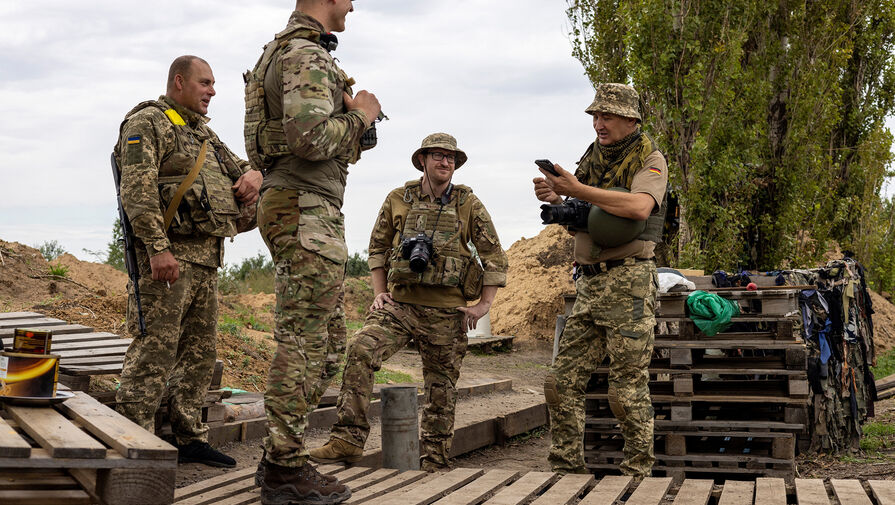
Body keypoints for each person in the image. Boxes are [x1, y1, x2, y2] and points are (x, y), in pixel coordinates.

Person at [243, 0, 381, 502]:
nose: (354, 5)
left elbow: (297, 136)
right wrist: (362, 115)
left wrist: (352, 119)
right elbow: (311, 139)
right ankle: (284, 469)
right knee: (302, 343)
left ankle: (279, 456)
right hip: (305, 208)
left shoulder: (278, 53)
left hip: (301, 205)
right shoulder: (306, 54)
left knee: (327, 347)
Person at [309, 133, 508, 472]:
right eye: (437, 156)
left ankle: (435, 462)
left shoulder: (467, 204)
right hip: (401, 305)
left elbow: (494, 257)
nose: (445, 162)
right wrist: (379, 292)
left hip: (448, 311)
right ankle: (348, 439)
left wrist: (483, 305)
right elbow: (377, 247)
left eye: (450, 158)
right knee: (360, 348)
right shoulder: (398, 199)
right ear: (423, 161)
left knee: (441, 389)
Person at [113, 55, 262, 468]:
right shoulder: (149, 123)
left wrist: (255, 176)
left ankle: (188, 436)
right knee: (154, 352)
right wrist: (158, 248)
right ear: (179, 82)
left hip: (206, 261)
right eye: (205, 83)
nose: (212, 91)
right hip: (167, 259)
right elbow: (137, 193)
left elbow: (242, 169)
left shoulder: (204, 134)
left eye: (213, 84)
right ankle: (132, 438)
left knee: (198, 354)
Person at [533, 83, 668, 477]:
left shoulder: (649, 157)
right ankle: (565, 470)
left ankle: (636, 475)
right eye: (594, 116)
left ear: (630, 119)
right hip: (589, 284)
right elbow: (585, 211)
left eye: (606, 115)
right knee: (560, 382)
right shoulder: (595, 157)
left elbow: (641, 206)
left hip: (628, 282)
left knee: (626, 390)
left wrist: (577, 188)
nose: (598, 123)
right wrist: (558, 200)